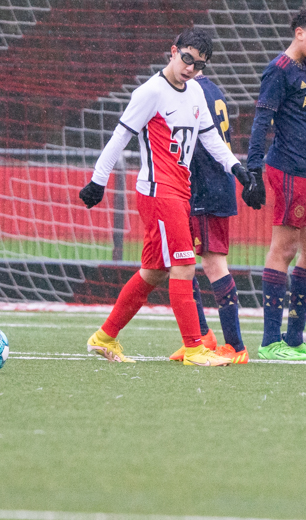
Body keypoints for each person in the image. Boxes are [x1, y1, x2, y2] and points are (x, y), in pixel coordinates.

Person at [80, 28, 254, 367]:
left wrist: (238, 170)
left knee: (153, 272)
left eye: (198, 63)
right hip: (160, 193)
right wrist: (97, 182)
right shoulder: (151, 92)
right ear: (173, 51)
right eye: (186, 58)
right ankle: (194, 349)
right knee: (185, 265)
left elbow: (212, 140)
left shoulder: (195, 94)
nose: (189, 67)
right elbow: (120, 137)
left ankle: (104, 337)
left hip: (180, 192)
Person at [244, 5, 306, 361]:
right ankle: (271, 341)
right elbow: (261, 122)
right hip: (287, 170)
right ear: (299, 33)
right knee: (284, 249)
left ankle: (292, 339)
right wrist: (252, 170)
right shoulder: (279, 70)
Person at [168, 70, 248, 364]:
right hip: (205, 185)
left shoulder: (190, 91)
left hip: (207, 186)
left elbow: (201, 142)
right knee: (180, 259)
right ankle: (202, 336)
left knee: (212, 263)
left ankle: (236, 346)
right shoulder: (211, 88)